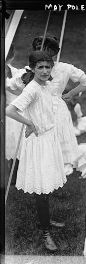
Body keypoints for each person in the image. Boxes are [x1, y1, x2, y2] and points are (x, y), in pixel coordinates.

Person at [6, 51, 66, 252]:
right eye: (39, 67)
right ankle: (46, 232)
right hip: (39, 142)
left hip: (49, 139)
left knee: (48, 184)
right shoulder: (32, 89)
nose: (44, 71)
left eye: (47, 67)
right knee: (41, 189)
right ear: (32, 68)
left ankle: (47, 219)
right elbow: (10, 110)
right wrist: (30, 123)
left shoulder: (47, 85)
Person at [30, 35, 86, 175]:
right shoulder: (31, 70)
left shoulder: (64, 68)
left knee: (58, 133)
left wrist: (71, 93)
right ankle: (45, 162)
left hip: (56, 108)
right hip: (38, 107)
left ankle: (62, 162)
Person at [5, 44, 23, 184]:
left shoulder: (16, 72)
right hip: (8, 112)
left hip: (15, 111)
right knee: (11, 141)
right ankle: (13, 171)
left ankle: (15, 172)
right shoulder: (15, 72)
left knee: (15, 141)